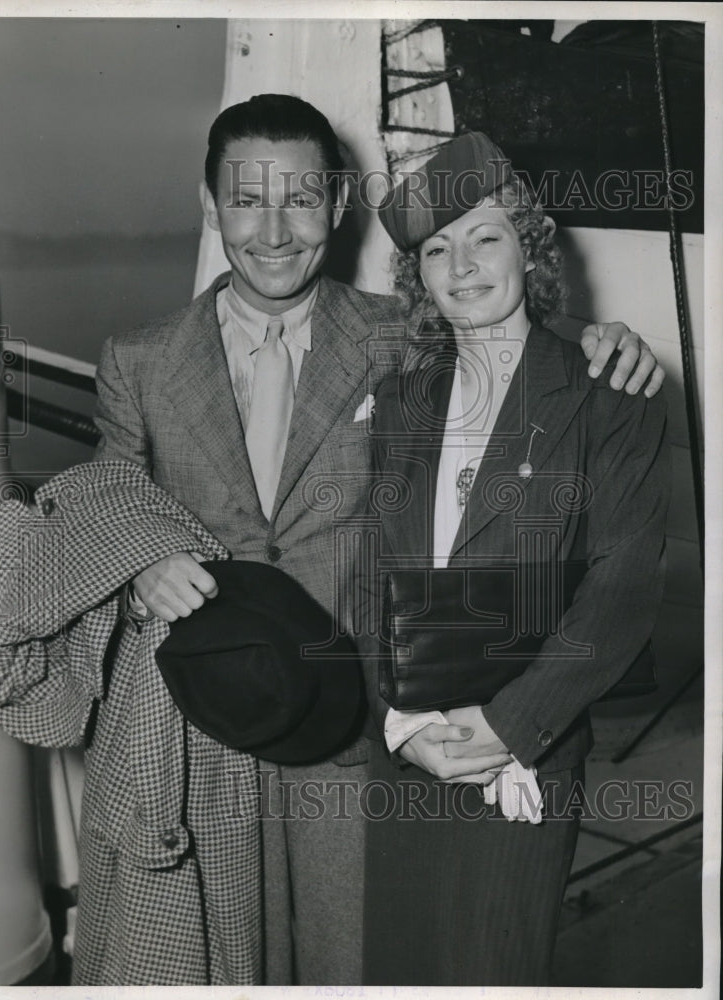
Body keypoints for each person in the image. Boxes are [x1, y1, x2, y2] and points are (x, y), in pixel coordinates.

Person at [92, 96, 660, 985]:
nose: (274, 231)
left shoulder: (394, 339)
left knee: (370, 966)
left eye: (301, 199)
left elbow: (505, 333)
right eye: (247, 200)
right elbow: (108, 496)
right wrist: (142, 563)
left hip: (364, 735)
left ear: (335, 205)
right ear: (210, 205)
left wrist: (603, 340)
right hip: (213, 718)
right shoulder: (139, 359)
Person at [357, 132, 670, 986]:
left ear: (527, 248)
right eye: (436, 249)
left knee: (491, 970)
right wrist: (398, 725)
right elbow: (370, 574)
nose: (461, 266)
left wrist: (509, 727)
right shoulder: (400, 400)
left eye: (484, 237)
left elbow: (622, 590)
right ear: (418, 276)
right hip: (408, 752)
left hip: (522, 758)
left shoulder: (609, 394)